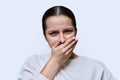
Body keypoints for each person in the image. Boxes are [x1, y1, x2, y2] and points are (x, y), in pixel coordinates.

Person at [18, 6, 115, 80]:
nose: (62, 39)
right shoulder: (33, 64)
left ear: (75, 32)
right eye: (53, 33)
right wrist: (55, 60)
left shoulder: (96, 68)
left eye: (68, 31)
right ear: (45, 37)